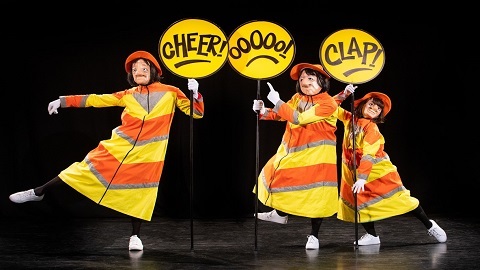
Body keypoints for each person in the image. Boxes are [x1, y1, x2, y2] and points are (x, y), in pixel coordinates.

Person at [9, 50, 205, 251]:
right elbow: (96, 99)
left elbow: (196, 113)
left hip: (149, 155)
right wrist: (64, 101)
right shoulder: (127, 95)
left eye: (144, 68)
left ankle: (135, 236)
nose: (139, 72)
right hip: (118, 148)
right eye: (135, 70)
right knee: (83, 169)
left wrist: (196, 93)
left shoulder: (171, 92)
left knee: (141, 193)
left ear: (154, 71)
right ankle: (39, 191)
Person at [252, 63, 355, 250]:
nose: (304, 82)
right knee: (276, 175)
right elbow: (282, 115)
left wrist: (277, 101)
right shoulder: (297, 97)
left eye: (310, 78)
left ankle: (314, 236)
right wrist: (263, 110)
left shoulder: (328, 103)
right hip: (294, 152)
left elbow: (299, 118)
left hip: (318, 157)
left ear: (321, 82)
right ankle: (281, 214)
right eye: (301, 79)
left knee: (317, 195)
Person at [335, 90, 447, 246]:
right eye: (371, 104)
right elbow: (330, 108)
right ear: (362, 104)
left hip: (376, 172)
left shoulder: (372, 129)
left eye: (378, 109)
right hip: (354, 170)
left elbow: (369, 154)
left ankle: (430, 225)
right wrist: (344, 94)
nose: (374, 108)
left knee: (401, 200)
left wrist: (362, 178)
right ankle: (372, 235)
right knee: (360, 203)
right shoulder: (349, 119)